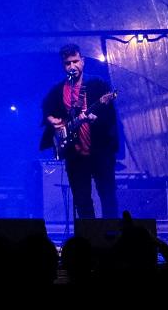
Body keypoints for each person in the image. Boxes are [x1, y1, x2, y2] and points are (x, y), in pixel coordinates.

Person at [42, 43, 120, 222]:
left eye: (75, 61)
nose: (72, 66)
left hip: (100, 151)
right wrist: (54, 122)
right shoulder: (58, 90)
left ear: (82, 61)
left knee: (108, 197)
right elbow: (47, 114)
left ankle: (113, 238)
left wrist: (95, 119)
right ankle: (88, 241)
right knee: (82, 201)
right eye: (68, 63)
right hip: (74, 154)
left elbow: (111, 117)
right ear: (63, 66)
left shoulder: (98, 84)